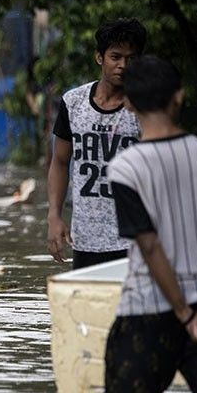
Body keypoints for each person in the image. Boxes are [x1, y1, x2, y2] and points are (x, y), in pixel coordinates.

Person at [100, 56, 197, 393]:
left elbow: (150, 246)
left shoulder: (125, 168)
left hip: (147, 310)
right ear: (179, 98)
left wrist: (182, 313)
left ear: (129, 104)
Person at [47, 18, 147, 269]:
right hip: (85, 239)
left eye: (131, 59)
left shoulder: (145, 106)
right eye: (116, 57)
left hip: (135, 239)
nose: (123, 65)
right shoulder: (73, 103)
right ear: (99, 58)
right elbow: (60, 162)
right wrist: (54, 216)